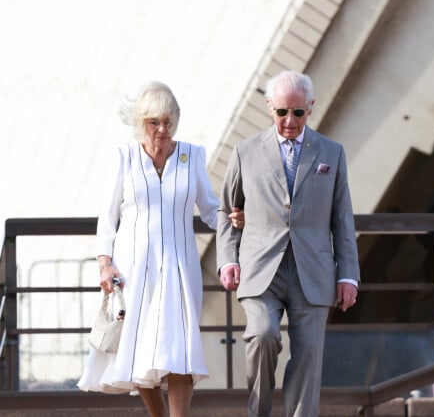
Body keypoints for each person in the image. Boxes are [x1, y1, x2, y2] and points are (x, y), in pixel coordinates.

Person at [78, 81, 244, 417]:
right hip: (134, 269)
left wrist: (233, 218)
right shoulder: (124, 158)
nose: (162, 130)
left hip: (182, 268)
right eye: (154, 122)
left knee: (180, 350)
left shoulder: (191, 155)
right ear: (141, 123)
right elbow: (108, 218)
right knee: (141, 351)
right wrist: (105, 264)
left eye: (168, 121)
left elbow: (210, 208)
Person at [216, 70, 360, 417]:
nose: (290, 121)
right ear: (269, 108)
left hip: (314, 269)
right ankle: (259, 411)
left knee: (309, 352)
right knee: (264, 335)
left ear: (311, 107)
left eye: (298, 112)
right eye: (282, 112)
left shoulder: (332, 152)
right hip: (260, 268)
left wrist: (348, 275)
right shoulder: (245, 152)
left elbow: (342, 217)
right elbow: (226, 210)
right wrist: (227, 259)